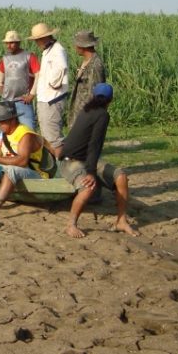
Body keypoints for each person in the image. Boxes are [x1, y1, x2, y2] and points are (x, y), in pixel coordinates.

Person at [57, 83, 139, 238]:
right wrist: (91, 173)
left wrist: (91, 169)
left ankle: (121, 221)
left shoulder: (88, 110)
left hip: (85, 158)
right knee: (88, 187)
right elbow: (95, 145)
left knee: (120, 177)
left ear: (93, 96)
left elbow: (92, 148)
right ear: (111, 100)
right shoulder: (101, 115)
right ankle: (71, 225)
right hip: (70, 162)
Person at [26, 22, 70, 159]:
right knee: (49, 136)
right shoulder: (48, 51)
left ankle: (61, 167)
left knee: (54, 139)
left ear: (45, 37)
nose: (36, 43)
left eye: (37, 39)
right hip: (46, 99)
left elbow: (61, 68)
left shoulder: (57, 50)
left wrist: (53, 84)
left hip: (52, 99)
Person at [0, 30, 40, 131]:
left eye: (11, 43)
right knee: (5, 130)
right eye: (7, 43)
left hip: (23, 101)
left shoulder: (29, 56)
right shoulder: (5, 58)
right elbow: (1, 73)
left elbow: (38, 75)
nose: (8, 46)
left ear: (18, 43)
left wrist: (32, 95)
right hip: (6, 100)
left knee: (29, 130)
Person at [67, 29, 106, 129]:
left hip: (87, 114)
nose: (75, 47)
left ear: (82, 47)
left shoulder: (95, 65)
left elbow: (95, 93)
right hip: (80, 113)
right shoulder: (86, 62)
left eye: (76, 45)